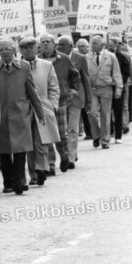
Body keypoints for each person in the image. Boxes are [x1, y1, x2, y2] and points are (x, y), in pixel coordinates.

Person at [0, 38, 44, 195]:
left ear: (13, 49)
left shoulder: (24, 67)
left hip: (20, 115)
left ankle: (21, 182)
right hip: (1, 115)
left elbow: (31, 91)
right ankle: (8, 182)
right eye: (1, 50)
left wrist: (39, 112)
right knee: (5, 151)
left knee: (20, 150)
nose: (5, 52)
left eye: (7, 48)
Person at [19, 37, 60, 186]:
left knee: (42, 141)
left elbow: (54, 87)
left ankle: (42, 169)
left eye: (31, 46)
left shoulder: (47, 65)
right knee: (28, 142)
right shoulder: (18, 65)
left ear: (37, 48)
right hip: (24, 108)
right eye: (25, 47)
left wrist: (53, 105)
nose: (28, 50)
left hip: (43, 106)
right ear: (20, 50)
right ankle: (34, 174)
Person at [38, 33, 79, 174]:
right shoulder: (36, 60)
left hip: (61, 100)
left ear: (54, 44)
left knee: (62, 133)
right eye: (42, 42)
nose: (45, 44)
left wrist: (72, 89)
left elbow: (74, 74)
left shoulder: (64, 58)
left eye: (48, 41)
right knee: (47, 133)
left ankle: (65, 155)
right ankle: (50, 164)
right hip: (44, 102)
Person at [56, 35, 92, 168]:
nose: (59, 47)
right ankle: (67, 153)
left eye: (62, 45)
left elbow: (86, 79)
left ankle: (71, 157)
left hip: (76, 99)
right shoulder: (56, 58)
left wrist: (88, 100)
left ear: (71, 46)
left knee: (73, 128)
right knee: (62, 130)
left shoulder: (80, 58)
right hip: (60, 100)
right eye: (58, 44)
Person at [86, 35, 123, 149]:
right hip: (92, 89)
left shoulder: (111, 56)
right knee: (91, 113)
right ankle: (96, 135)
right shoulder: (87, 57)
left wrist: (118, 88)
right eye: (92, 43)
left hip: (106, 88)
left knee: (105, 114)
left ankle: (105, 140)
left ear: (102, 45)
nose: (92, 45)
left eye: (95, 43)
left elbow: (116, 73)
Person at [107, 37, 132, 143]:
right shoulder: (105, 56)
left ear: (117, 45)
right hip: (107, 87)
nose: (110, 46)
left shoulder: (122, 57)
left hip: (118, 87)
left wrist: (117, 80)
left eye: (112, 44)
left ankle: (118, 135)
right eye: (109, 44)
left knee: (118, 110)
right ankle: (110, 132)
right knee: (107, 111)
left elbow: (126, 73)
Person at [76, 38, 93, 140]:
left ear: (87, 47)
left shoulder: (91, 57)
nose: (81, 48)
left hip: (94, 86)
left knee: (92, 112)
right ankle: (88, 133)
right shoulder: (77, 58)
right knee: (84, 112)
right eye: (79, 46)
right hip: (83, 88)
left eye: (83, 46)